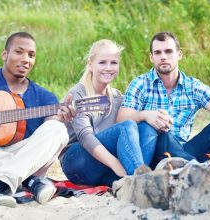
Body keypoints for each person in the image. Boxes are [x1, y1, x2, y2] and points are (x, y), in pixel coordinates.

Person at [0, 32, 75, 207]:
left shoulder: (45, 97)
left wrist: (61, 118)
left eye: (31, 55)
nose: (26, 59)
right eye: (19, 52)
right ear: (5, 54)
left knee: (57, 129)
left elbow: (51, 131)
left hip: (22, 157)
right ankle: (29, 181)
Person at [117, 31, 210, 166]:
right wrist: (144, 115)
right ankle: (199, 169)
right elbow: (121, 121)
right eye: (158, 53)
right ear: (151, 57)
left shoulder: (192, 86)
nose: (163, 57)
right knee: (164, 136)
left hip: (184, 151)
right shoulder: (140, 84)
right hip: (155, 156)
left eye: (168, 51)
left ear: (179, 54)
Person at [59, 39, 157, 187]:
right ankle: (141, 181)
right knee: (127, 126)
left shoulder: (117, 97)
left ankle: (129, 180)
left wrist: (146, 115)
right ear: (90, 65)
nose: (108, 68)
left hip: (104, 169)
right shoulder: (78, 94)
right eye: (102, 62)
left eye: (113, 63)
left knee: (147, 127)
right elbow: (86, 138)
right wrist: (115, 163)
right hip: (77, 162)